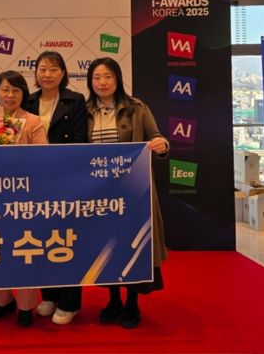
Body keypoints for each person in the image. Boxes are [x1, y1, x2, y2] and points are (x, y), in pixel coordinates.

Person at [85, 57, 168, 329]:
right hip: (100, 194)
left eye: (108, 76)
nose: (102, 82)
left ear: (117, 79)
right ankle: (113, 301)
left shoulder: (137, 108)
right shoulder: (84, 111)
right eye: (97, 77)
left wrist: (162, 144)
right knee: (108, 246)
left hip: (133, 192)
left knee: (134, 245)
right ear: (90, 82)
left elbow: (157, 137)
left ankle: (132, 303)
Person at [22, 51, 87, 326]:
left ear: (63, 73)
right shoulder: (28, 101)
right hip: (34, 181)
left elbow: (81, 141)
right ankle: (49, 295)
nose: (47, 74)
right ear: (35, 73)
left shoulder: (75, 100)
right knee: (41, 239)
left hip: (65, 178)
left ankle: (69, 302)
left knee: (66, 239)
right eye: (42, 69)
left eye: (53, 69)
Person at [0, 70, 46, 327]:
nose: (10, 95)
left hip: (25, 196)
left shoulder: (33, 121)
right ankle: (3, 301)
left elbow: (43, 157)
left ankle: (26, 305)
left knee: (24, 249)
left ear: (23, 94)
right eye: (5, 89)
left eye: (16, 90)